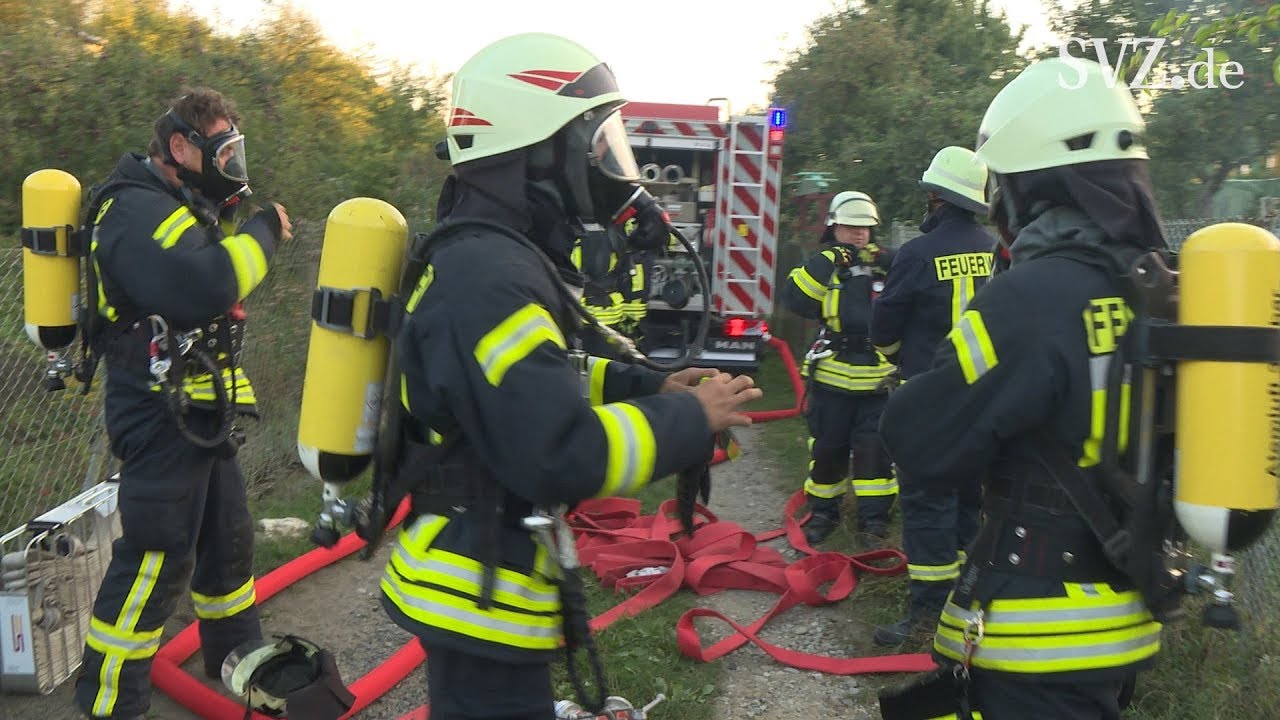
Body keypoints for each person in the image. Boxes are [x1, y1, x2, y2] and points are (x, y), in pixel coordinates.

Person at [377, 33, 762, 720]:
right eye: (597, 142)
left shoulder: (495, 259)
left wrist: (649, 387)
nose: (612, 165)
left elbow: (541, 380)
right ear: (538, 152)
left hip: (486, 577)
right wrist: (690, 418)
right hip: (477, 591)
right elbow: (558, 453)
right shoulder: (490, 277)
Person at [877, 56, 1166, 719]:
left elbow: (921, 442)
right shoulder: (1161, 289)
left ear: (1029, 189)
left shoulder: (1032, 297)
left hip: (1036, 632)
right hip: (1125, 617)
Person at [74, 88, 291, 719]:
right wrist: (263, 232)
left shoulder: (178, 207)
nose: (232, 165)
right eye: (223, 151)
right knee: (156, 555)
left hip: (197, 409)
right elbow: (204, 284)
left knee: (228, 542)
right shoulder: (133, 209)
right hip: (156, 410)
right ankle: (110, 704)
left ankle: (240, 663)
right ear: (179, 146)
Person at [867, 146, 995, 646]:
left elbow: (883, 328)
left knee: (927, 506)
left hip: (929, 400)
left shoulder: (917, 254)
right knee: (970, 502)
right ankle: (970, 608)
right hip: (984, 402)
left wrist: (902, 359)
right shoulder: (997, 249)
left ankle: (927, 617)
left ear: (938, 198)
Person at [781, 191, 897, 545]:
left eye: (865, 227)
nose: (859, 233)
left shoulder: (888, 265)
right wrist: (829, 259)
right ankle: (823, 514)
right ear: (834, 227)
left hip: (877, 381)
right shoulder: (822, 265)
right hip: (832, 378)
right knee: (828, 450)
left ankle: (874, 522)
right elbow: (795, 299)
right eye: (850, 226)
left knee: (874, 455)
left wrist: (889, 259)